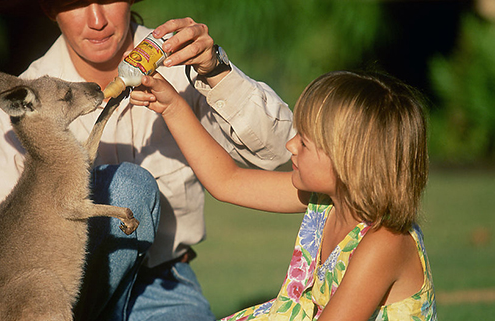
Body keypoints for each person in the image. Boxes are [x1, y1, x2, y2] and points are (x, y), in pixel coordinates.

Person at [0, 0, 294, 320]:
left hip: (163, 281)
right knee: (127, 188)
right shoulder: (26, 103)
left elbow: (276, 153)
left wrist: (216, 70)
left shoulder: (179, 58)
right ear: (50, 8)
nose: (96, 20)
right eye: (75, 2)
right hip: (70, 290)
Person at [131, 70, 437, 320]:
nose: (290, 146)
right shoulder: (324, 201)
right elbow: (227, 180)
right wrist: (172, 107)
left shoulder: (385, 242)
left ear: (348, 161)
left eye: (303, 142)